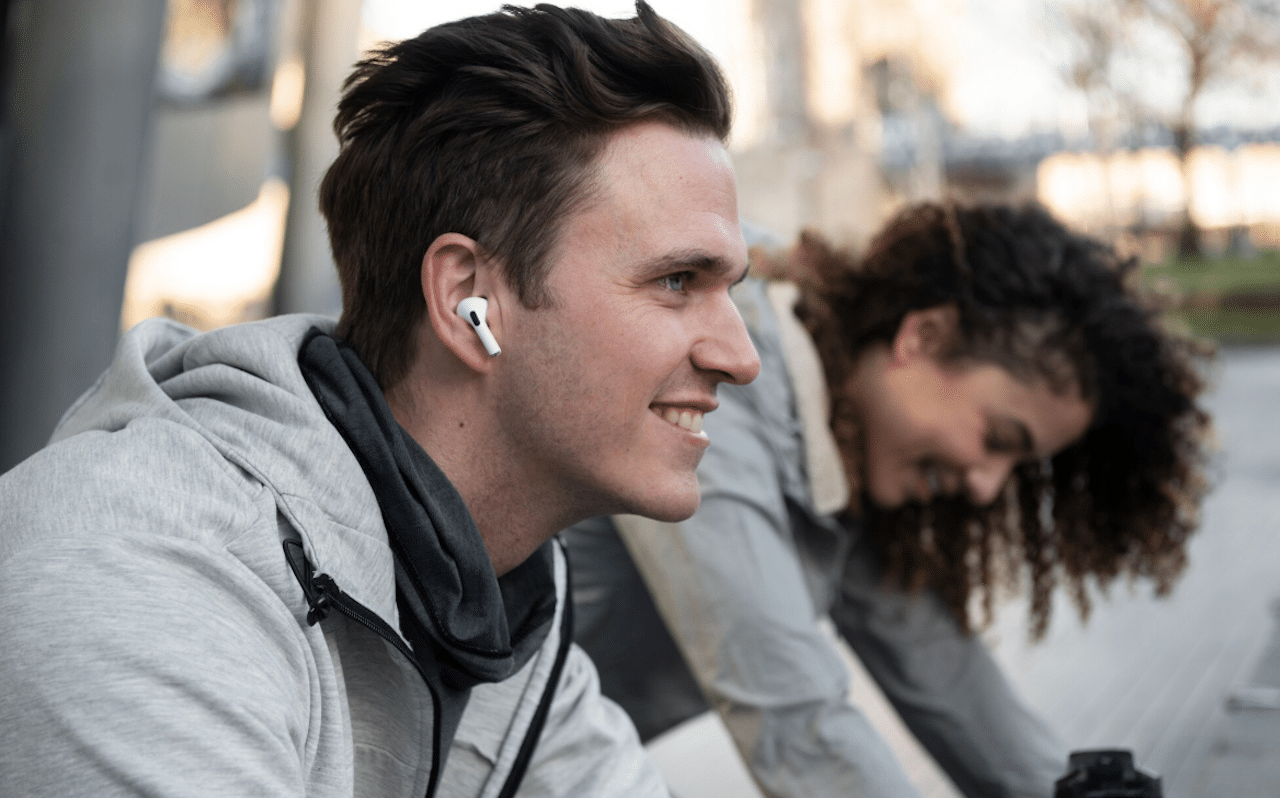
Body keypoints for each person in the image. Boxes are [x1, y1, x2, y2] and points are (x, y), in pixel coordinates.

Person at [0, 3, 761, 796]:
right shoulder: (139, 582)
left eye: (729, 289)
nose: (740, 359)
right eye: (677, 281)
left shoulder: (484, 609)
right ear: (473, 302)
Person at [565, 202, 1211, 798]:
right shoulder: (722, 380)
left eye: (1016, 467)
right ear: (923, 337)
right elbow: (791, 710)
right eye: (998, 438)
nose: (987, 486)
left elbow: (947, 677)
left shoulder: (850, 454)